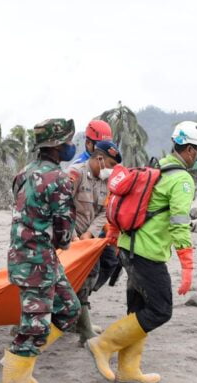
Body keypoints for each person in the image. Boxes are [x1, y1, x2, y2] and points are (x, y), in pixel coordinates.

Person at [87, 121, 197, 383]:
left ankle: (128, 370)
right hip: (147, 253)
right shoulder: (181, 179)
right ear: (189, 149)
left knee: (138, 309)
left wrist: (112, 235)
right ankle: (103, 344)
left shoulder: (156, 168)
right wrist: (187, 267)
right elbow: (180, 224)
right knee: (160, 311)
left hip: (128, 248)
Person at [3, 118, 80, 383]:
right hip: (36, 262)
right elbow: (63, 227)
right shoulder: (59, 178)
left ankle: (21, 361)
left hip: (34, 257)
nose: (71, 145)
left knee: (69, 308)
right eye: (69, 141)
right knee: (34, 327)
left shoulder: (23, 173)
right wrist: (62, 240)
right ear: (59, 145)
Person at [67, 140, 122, 345]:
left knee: (90, 276)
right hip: (64, 238)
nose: (111, 170)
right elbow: (61, 205)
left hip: (87, 241)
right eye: (109, 164)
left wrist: (89, 234)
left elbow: (102, 213)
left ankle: (81, 323)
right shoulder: (76, 173)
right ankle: (83, 327)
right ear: (99, 159)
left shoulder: (106, 183)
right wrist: (71, 235)